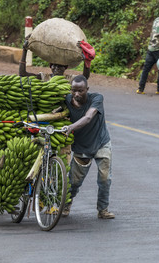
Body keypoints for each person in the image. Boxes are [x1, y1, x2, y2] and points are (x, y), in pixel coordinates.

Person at [61, 75, 114, 219]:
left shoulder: (96, 99)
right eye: (74, 91)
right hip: (81, 147)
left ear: (87, 90)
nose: (77, 94)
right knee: (74, 181)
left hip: (101, 143)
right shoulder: (66, 100)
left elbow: (89, 117)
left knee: (104, 179)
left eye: (81, 91)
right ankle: (65, 205)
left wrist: (71, 127)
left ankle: (103, 209)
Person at [19, 36, 95, 81]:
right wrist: (25, 50)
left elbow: (85, 77)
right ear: (50, 66)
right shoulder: (44, 77)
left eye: (60, 66)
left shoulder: (69, 79)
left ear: (65, 67)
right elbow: (23, 74)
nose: (56, 68)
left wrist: (87, 60)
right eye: (54, 65)